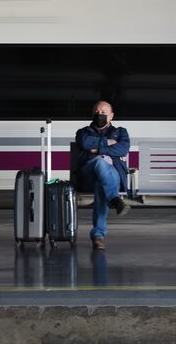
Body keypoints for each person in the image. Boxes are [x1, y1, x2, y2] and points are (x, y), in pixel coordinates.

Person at [75, 100, 131, 249]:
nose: (99, 115)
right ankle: (114, 199)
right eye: (97, 112)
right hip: (88, 175)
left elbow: (122, 149)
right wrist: (108, 142)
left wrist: (98, 150)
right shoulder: (83, 132)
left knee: (101, 183)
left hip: (113, 175)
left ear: (111, 116)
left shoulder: (121, 132)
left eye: (104, 113)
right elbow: (86, 143)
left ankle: (98, 236)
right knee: (100, 163)